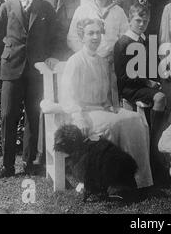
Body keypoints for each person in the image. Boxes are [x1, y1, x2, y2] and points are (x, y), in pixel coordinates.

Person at [60, 17, 153, 190]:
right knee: (116, 124)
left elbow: (107, 92)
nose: (95, 37)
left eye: (98, 33)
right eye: (90, 33)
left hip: (102, 109)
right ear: (82, 37)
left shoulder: (102, 61)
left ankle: (141, 180)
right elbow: (68, 95)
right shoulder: (76, 61)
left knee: (136, 119)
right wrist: (78, 116)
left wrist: (110, 105)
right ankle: (114, 181)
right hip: (83, 113)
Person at [0, 0, 60, 179]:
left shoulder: (45, 8)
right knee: (8, 115)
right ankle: (7, 166)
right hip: (11, 70)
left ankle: (29, 163)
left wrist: (50, 55)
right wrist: (6, 56)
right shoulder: (7, 6)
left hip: (36, 70)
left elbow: (55, 36)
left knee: (33, 116)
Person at [113, 3, 167, 184]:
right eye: (137, 20)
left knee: (168, 92)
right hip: (129, 88)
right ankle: (153, 145)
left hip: (142, 85)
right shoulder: (123, 42)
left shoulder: (143, 39)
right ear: (129, 20)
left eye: (145, 20)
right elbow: (123, 76)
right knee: (159, 98)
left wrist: (155, 79)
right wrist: (146, 82)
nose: (141, 23)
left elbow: (149, 68)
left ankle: (160, 144)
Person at [67, 0, 128, 106]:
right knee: (90, 101)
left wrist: (115, 55)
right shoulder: (82, 10)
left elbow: (126, 39)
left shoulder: (118, 11)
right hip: (88, 65)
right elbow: (72, 38)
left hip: (110, 63)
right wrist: (86, 56)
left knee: (110, 103)